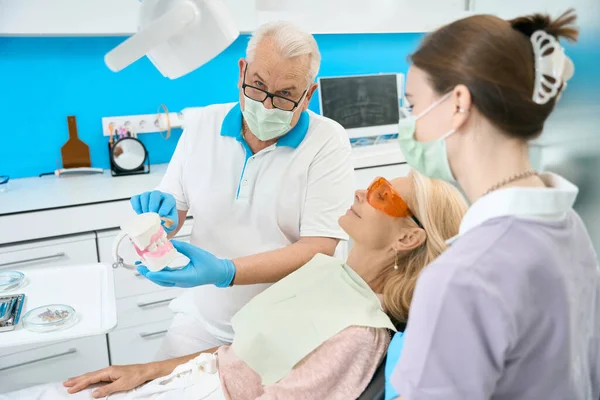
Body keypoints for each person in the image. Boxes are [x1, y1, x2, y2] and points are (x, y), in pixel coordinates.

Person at [1, 172, 468, 400]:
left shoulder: (359, 334)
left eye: (383, 194)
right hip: (195, 379)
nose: (360, 193)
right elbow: (239, 354)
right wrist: (149, 370)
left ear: (409, 237)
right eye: (373, 184)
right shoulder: (331, 273)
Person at [386, 9, 600, 400]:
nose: (410, 124)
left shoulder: (462, 276)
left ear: (458, 104)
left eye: (413, 105)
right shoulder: (571, 230)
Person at [128, 21, 356, 360]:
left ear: (308, 94)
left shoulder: (327, 141)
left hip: (290, 327)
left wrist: (227, 271)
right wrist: (159, 220)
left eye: (284, 95)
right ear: (242, 71)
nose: (266, 106)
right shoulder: (202, 125)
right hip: (204, 320)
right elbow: (173, 211)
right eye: (258, 86)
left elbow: (319, 246)